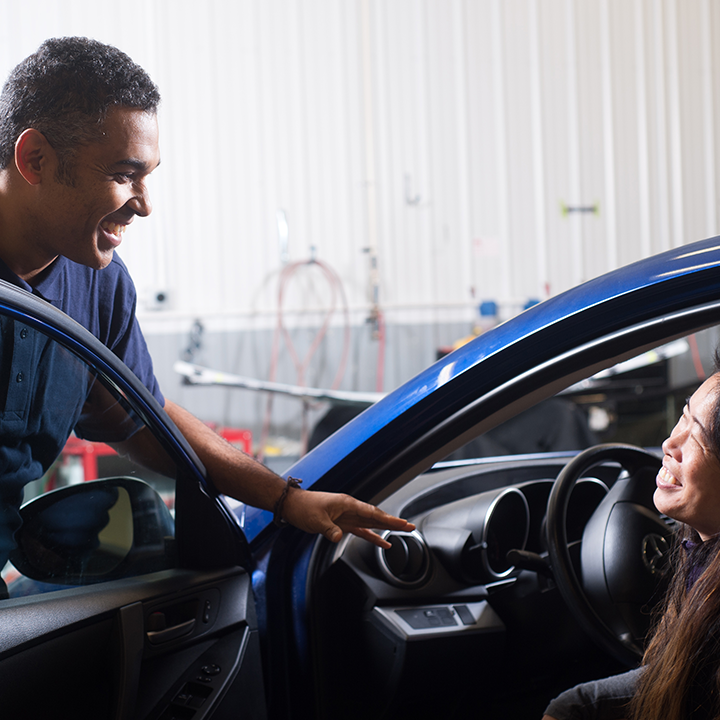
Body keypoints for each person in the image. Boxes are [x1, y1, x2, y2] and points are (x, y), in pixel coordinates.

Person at [0, 36, 413, 565]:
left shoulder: (98, 288)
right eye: (124, 175)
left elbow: (144, 419)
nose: (144, 205)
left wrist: (286, 499)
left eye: (148, 177)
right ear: (35, 159)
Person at [543, 367, 720, 720]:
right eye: (683, 416)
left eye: (696, 436)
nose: (670, 443)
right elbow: (685, 678)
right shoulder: (699, 552)